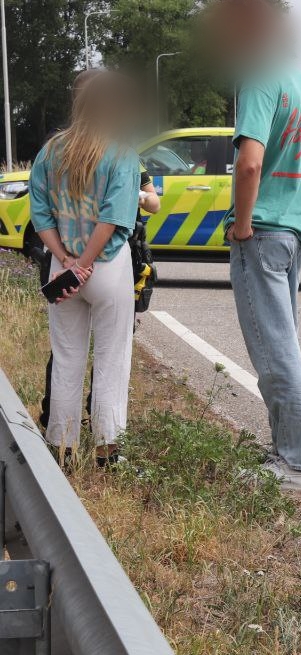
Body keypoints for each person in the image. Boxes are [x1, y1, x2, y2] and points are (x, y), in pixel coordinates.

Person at [210, 0, 301, 491]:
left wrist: (240, 226)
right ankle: (285, 451)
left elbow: (250, 163)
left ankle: (294, 465)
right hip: (295, 230)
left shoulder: (258, 78)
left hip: (262, 231)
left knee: (275, 353)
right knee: (283, 346)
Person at [29, 71, 145, 468]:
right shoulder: (121, 155)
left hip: (61, 271)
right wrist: (86, 263)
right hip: (107, 268)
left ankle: (61, 447)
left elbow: (41, 215)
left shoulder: (50, 152)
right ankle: (108, 451)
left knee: (66, 357)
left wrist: (65, 259)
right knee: (113, 358)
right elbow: (112, 219)